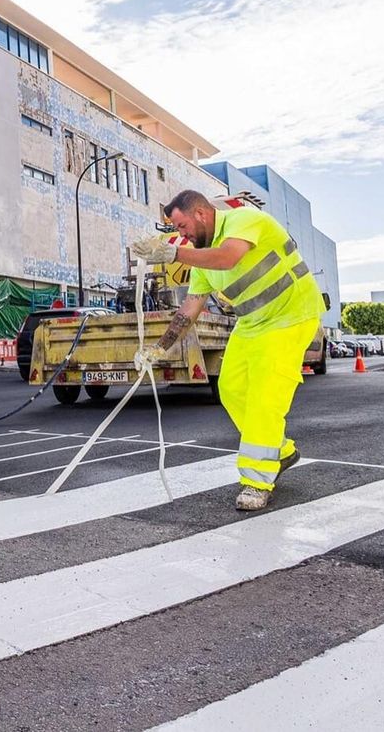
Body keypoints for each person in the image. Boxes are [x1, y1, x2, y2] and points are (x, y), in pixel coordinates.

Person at [131, 191, 326, 511]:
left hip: (291, 317)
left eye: (182, 226)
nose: (181, 235)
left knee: (264, 398)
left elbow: (229, 257)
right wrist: (159, 349)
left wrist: (173, 253)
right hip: (252, 323)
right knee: (231, 389)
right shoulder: (201, 260)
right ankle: (281, 451)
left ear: (201, 213)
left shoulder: (245, 219)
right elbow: (190, 309)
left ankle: (257, 481)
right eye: (177, 231)